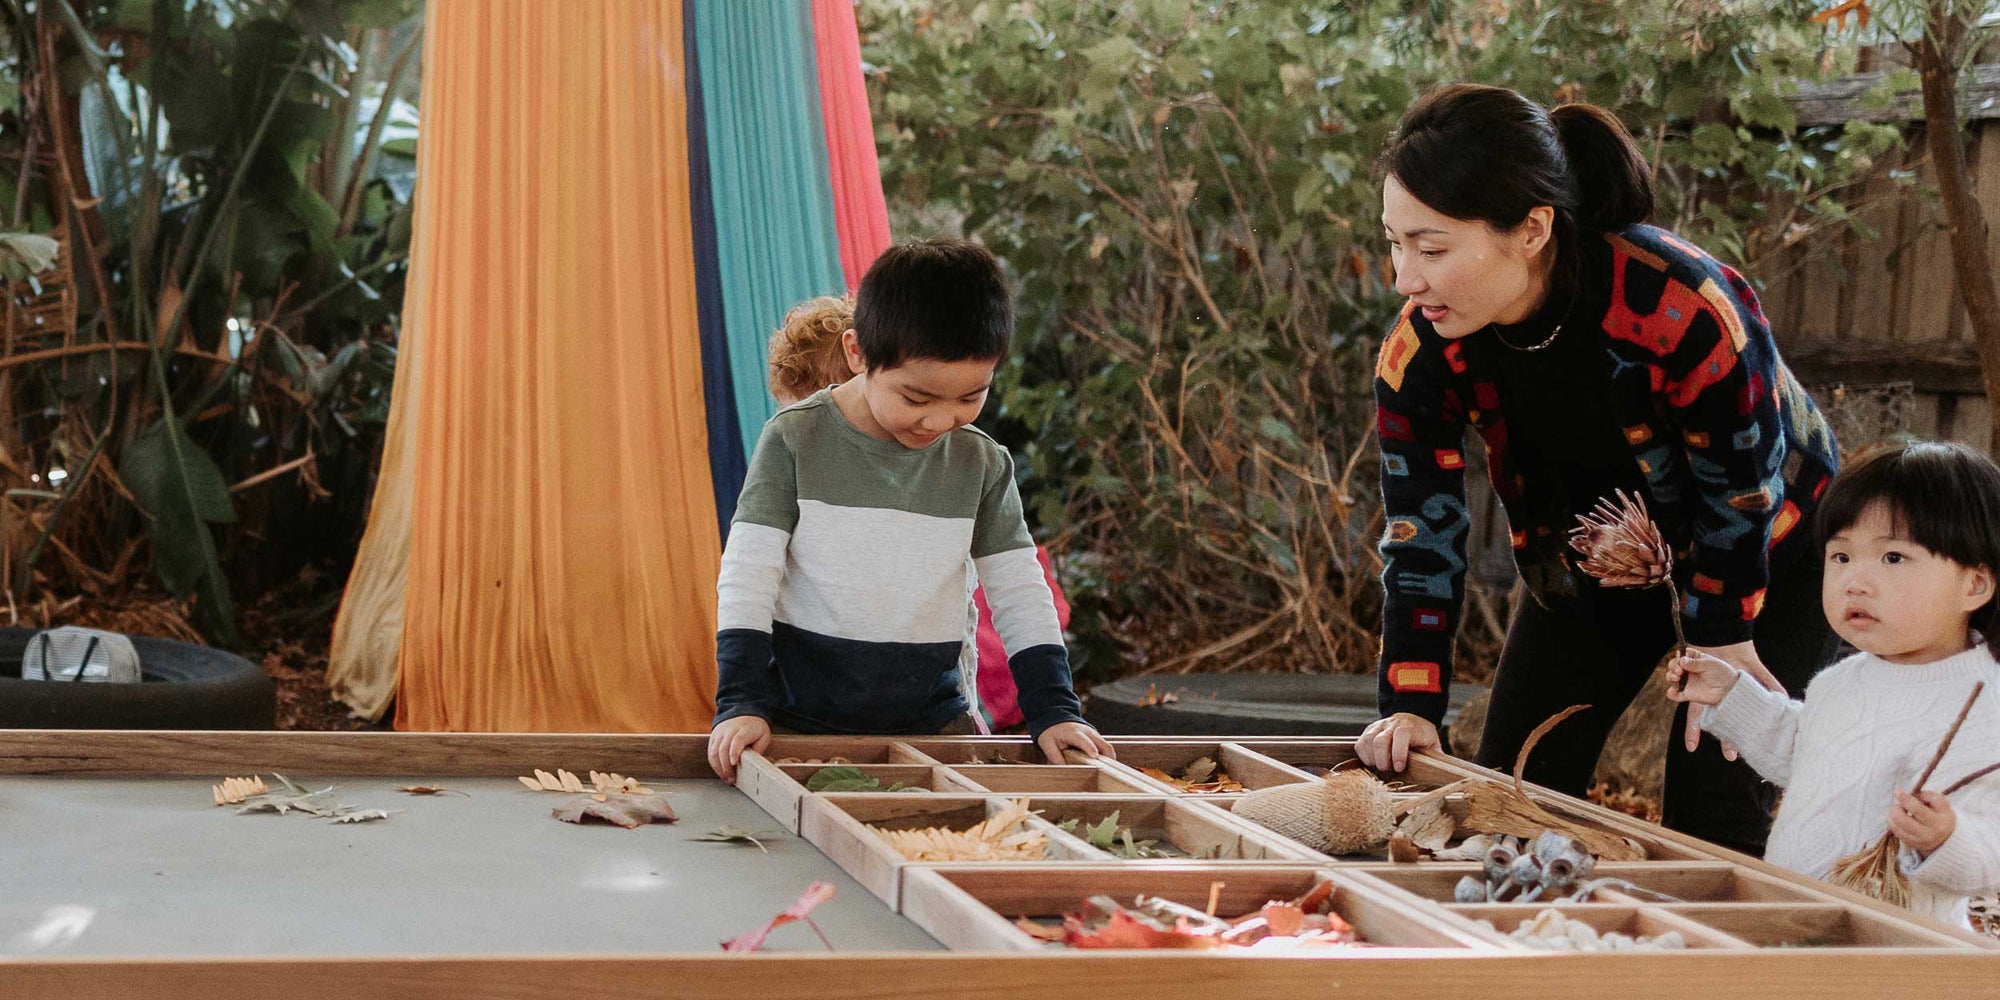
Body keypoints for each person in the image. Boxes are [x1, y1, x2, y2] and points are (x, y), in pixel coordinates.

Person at [1352, 84, 1841, 855]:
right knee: (1517, 791)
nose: (1405, 277)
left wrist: (1724, 634)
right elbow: (1422, 534)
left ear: (1532, 229)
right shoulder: (1422, 351)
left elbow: (1745, 486)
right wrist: (1411, 700)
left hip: (1767, 552)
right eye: (1395, 242)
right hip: (1592, 558)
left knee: (1711, 813)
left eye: (1432, 248)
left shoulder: (1683, 305)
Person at [706, 237, 1114, 782]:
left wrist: (1054, 710)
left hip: (932, 726)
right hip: (796, 723)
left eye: (971, 397)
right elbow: (749, 574)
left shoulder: (981, 464)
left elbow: (1018, 591)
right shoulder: (794, 439)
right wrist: (741, 701)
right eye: (916, 399)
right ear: (858, 354)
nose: (940, 421)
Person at [1668, 441, 2000, 927]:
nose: (1855, 581)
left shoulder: (1980, 704)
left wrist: (1945, 839)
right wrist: (1732, 695)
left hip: (1892, 946)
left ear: (1974, 585)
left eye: (1892, 558)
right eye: (1841, 557)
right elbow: (1810, 752)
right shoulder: (1845, 679)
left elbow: (1994, 844)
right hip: (1795, 915)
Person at [761, 295, 1076, 734]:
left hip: (932, 687)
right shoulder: (792, 454)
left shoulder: (956, 464)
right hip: (815, 694)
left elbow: (1016, 591)